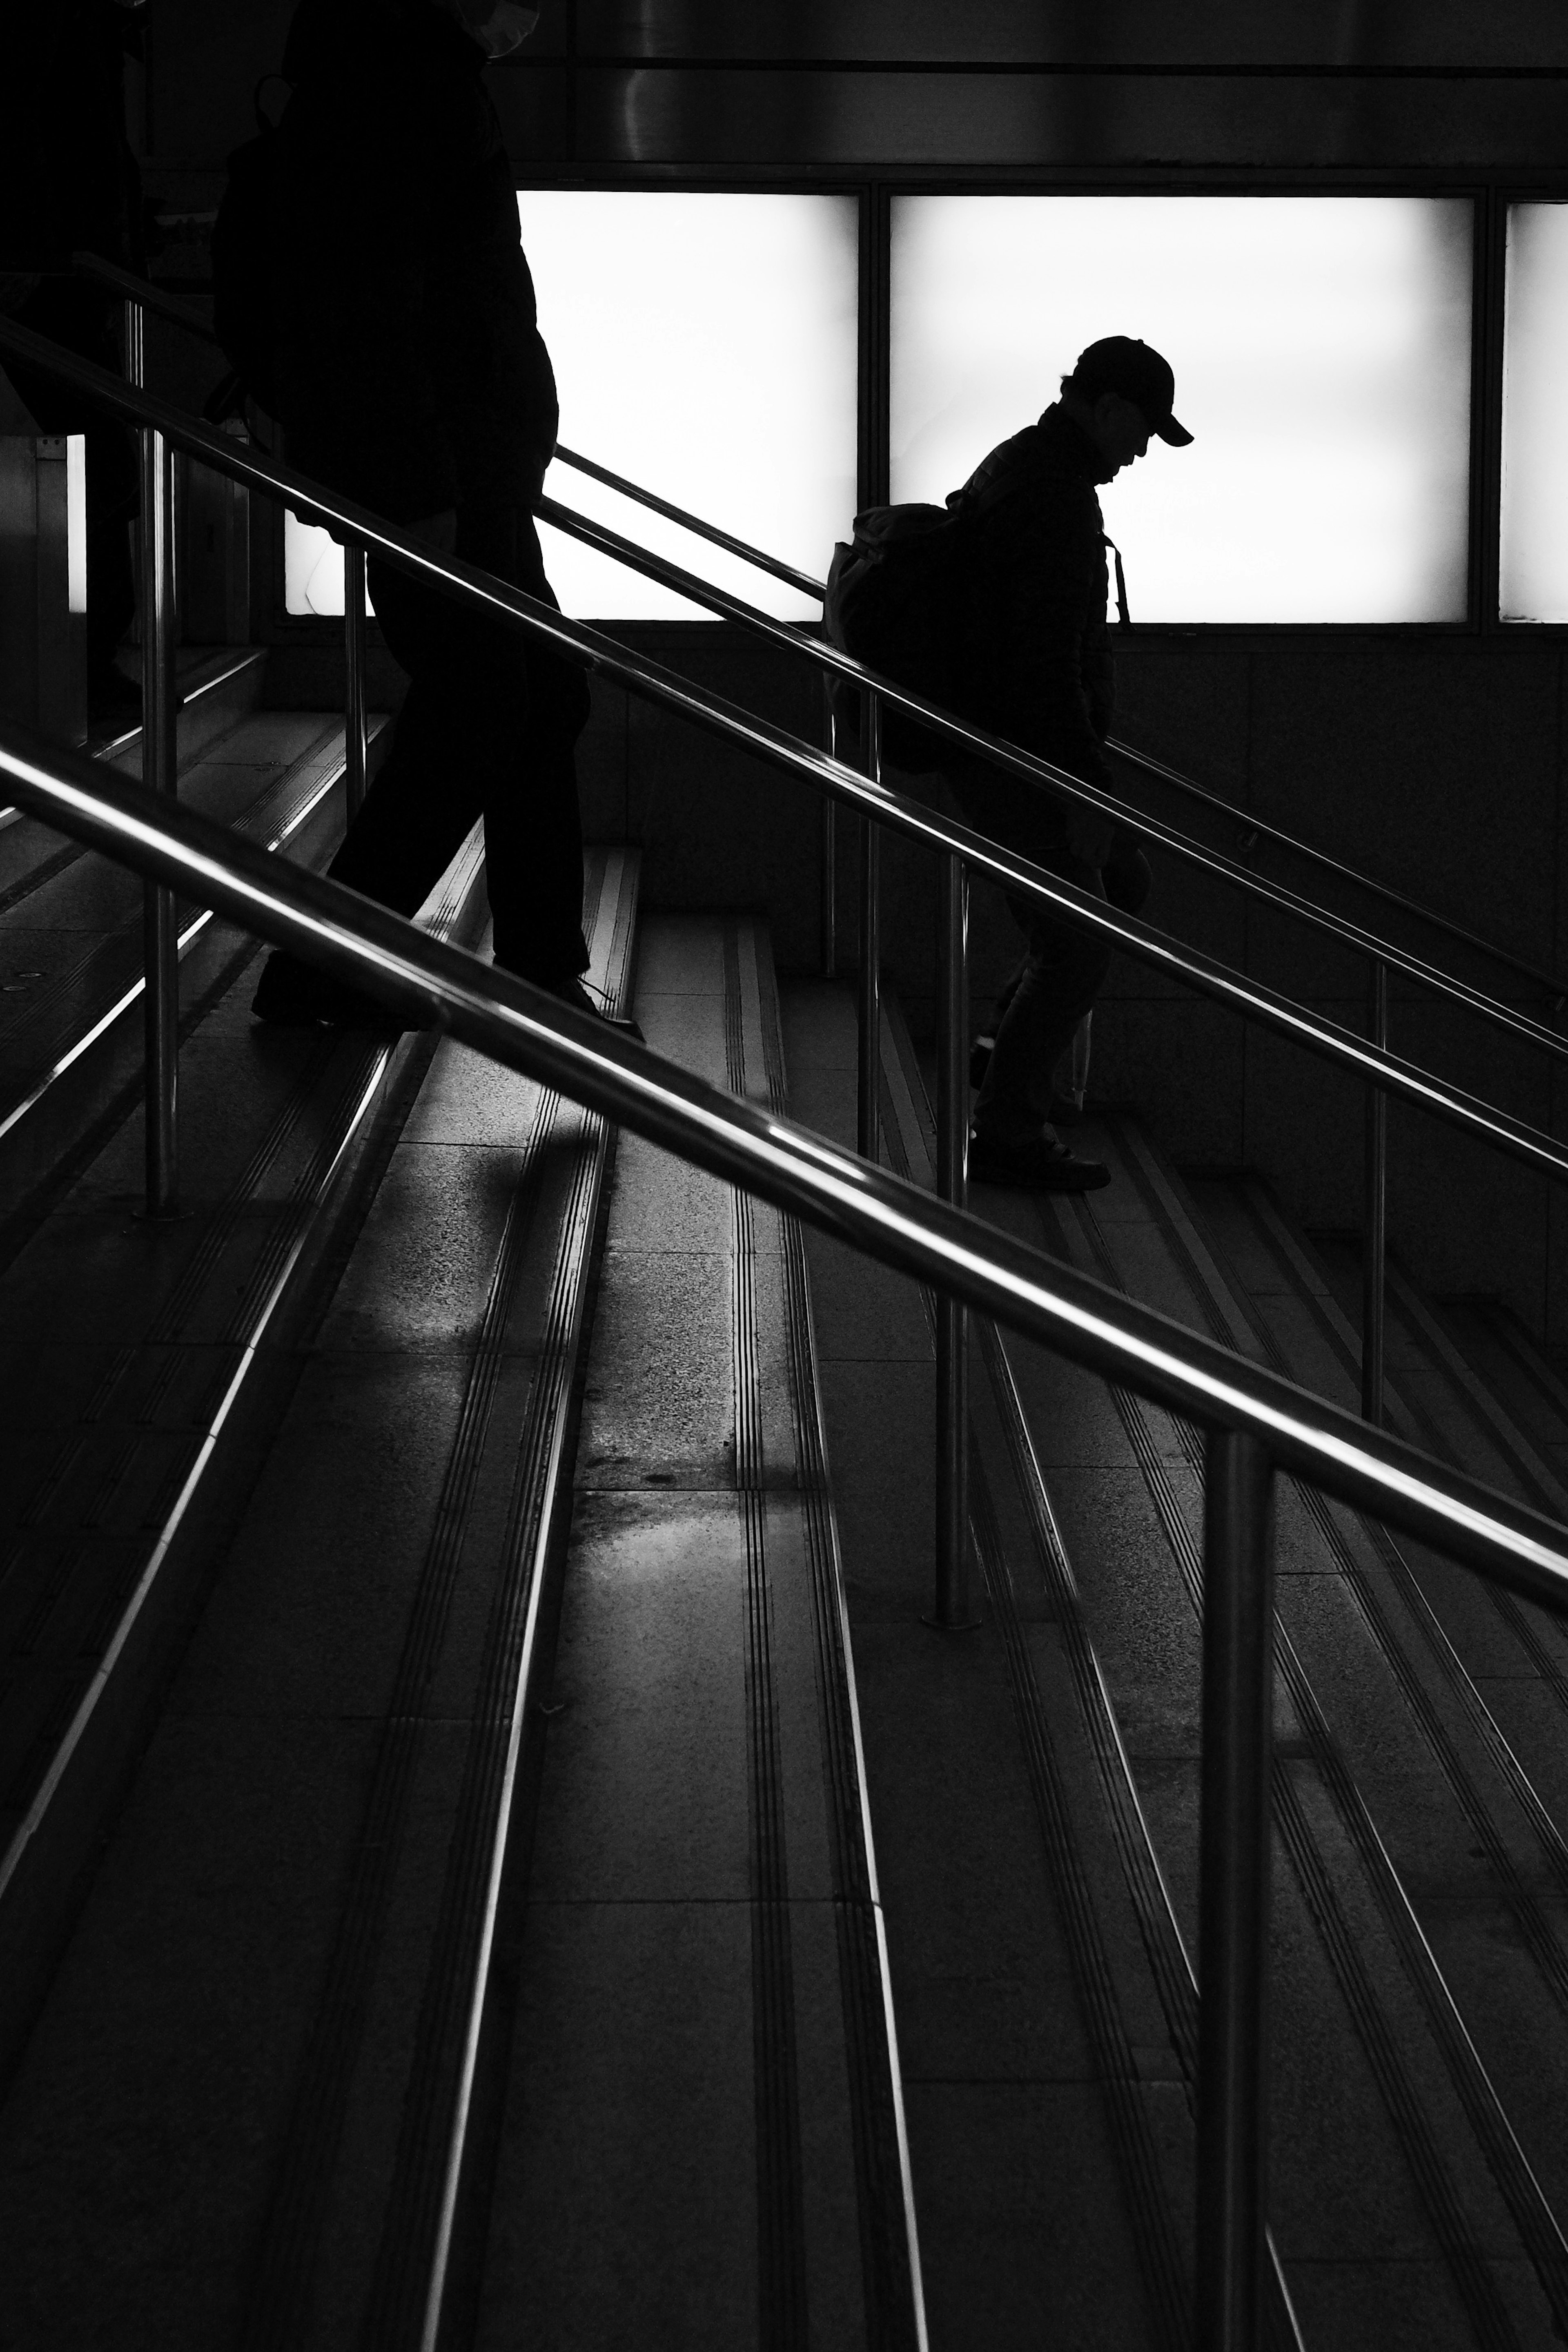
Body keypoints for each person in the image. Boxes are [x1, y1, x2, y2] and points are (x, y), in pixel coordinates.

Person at [251, 0, 621, 1033]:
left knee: (536, 692)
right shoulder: (394, 81)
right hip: (437, 481)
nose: (533, 12)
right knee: (489, 701)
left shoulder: (410, 73)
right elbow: (373, 305)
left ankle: (540, 970)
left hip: (468, 475)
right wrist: (421, 492)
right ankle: (322, 969)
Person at [940, 335, 1192, 1192]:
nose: (1142, 451)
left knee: (1118, 889)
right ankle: (1008, 1129)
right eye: (1144, 431)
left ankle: (1000, 1053)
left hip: (1012, 743)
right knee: (1079, 942)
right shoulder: (1053, 496)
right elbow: (1045, 667)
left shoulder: (1029, 467)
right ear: (1110, 408)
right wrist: (1086, 791)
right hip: (1020, 753)